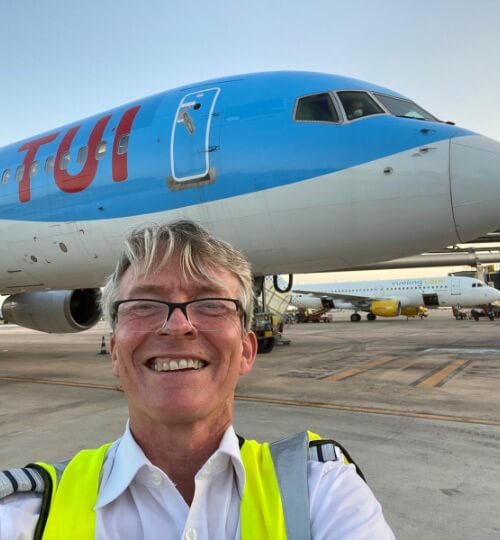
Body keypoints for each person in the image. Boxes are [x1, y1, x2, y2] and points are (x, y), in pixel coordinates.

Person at [0, 220, 395, 539]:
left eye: (210, 304)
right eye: (144, 304)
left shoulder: (322, 489)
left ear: (246, 351)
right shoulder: (24, 512)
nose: (178, 326)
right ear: (115, 355)